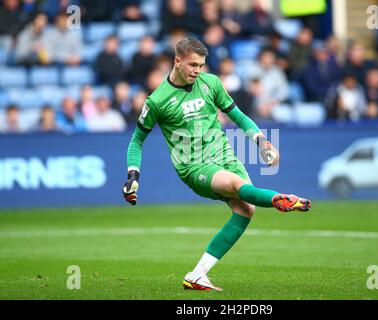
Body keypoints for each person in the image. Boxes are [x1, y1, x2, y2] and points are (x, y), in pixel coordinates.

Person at [122, 38, 311, 291]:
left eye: (201, 65)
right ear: (177, 61)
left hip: (224, 155)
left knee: (246, 210)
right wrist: (133, 176)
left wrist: (261, 141)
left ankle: (197, 275)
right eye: (192, 65)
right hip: (194, 166)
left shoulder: (211, 83)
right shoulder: (157, 101)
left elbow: (239, 116)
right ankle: (280, 199)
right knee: (236, 184)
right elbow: (137, 141)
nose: (197, 70)